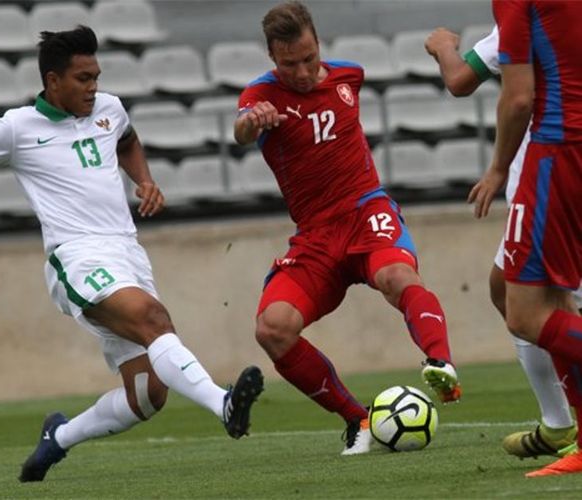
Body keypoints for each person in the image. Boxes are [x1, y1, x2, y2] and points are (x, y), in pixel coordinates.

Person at [0, 26, 264, 482]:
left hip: (127, 251)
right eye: (83, 79)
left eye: (97, 77)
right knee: (153, 320)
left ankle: (58, 438)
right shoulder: (17, 127)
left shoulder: (109, 109)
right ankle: (223, 405)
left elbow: (126, 141)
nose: (94, 88)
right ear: (53, 81)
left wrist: (142, 180)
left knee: (148, 395)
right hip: (77, 257)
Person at [233, 1, 460, 456]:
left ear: (319, 44)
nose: (300, 71)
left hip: (365, 211)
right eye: (288, 63)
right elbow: (242, 128)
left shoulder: (348, 76)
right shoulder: (260, 98)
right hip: (315, 236)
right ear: (272, 58)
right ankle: (357, 419)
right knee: (272, 328)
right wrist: (250, 124)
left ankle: (441, 364)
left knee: (398, 278)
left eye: (308, 58)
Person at [426, 25, 580, 459]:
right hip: (555, 166)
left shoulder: (527, 11)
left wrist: (442, 46)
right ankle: (558, 424)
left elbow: (462, 80)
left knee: (536, 309)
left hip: (553, 168)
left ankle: (560, 425)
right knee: (514, 293)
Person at [468, 0, 582, 477]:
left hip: (558, 150)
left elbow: (518, 98)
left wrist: (497, 169)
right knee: (555, 302)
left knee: (525, 311)